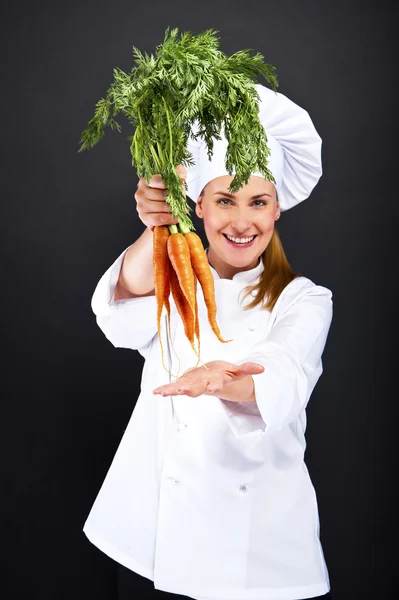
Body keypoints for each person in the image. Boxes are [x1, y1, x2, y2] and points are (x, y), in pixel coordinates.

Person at [83, 84, 334, 600]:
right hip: (150, 539)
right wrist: (155, 227)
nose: (242, 222)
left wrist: (225, 381)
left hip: (256, 552)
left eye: (258, 202)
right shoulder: (175, 278)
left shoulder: (305, 299)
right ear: (199, 205)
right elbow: (119, 308)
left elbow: (282, 367)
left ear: (277, 209)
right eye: (225, 200)